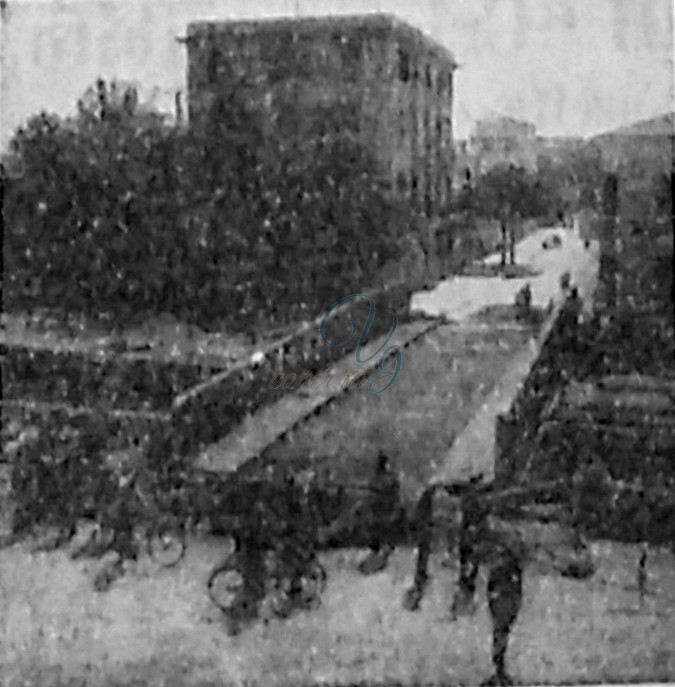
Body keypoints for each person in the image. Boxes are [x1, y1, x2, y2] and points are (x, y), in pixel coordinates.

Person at [359, 452, 403, 575]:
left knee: (379, 534)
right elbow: (394, 495)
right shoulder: (389, 479)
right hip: (384, 512)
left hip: (380, 512)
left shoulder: (376, 479)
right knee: (384, 534)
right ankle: (380, 555)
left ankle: (379, 555)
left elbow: (372, 496)